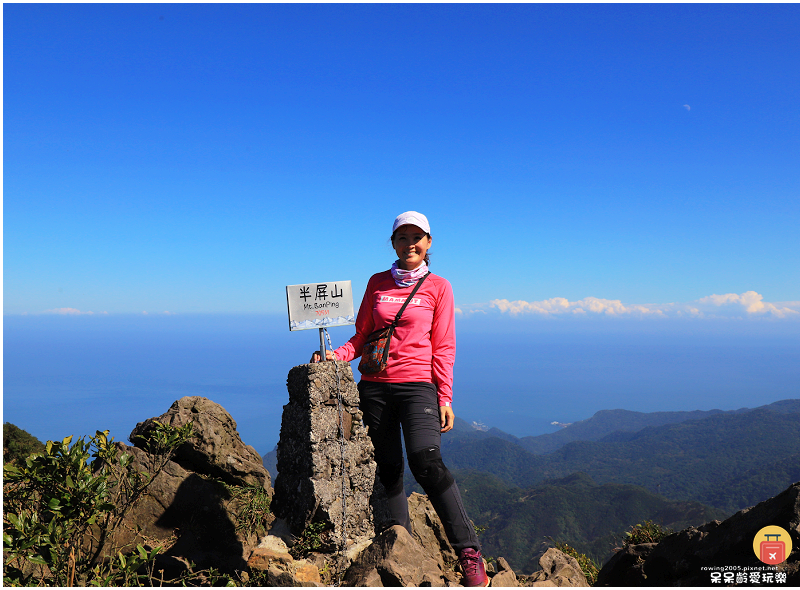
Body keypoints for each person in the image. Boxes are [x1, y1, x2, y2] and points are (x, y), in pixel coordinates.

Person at [311, 211, 489, 587]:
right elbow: (362, 336)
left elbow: (444, 344)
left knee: (427, 462)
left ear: (429, 243)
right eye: (402, 237)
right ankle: (399, 544)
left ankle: (469, 553)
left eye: (417, 237)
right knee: (389, 466)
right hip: (374, 386)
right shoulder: (377, 282)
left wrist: (445, 395)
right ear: (393, 243)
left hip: (418, 386)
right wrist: (334, 356)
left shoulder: (439, 286)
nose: (410, 244)